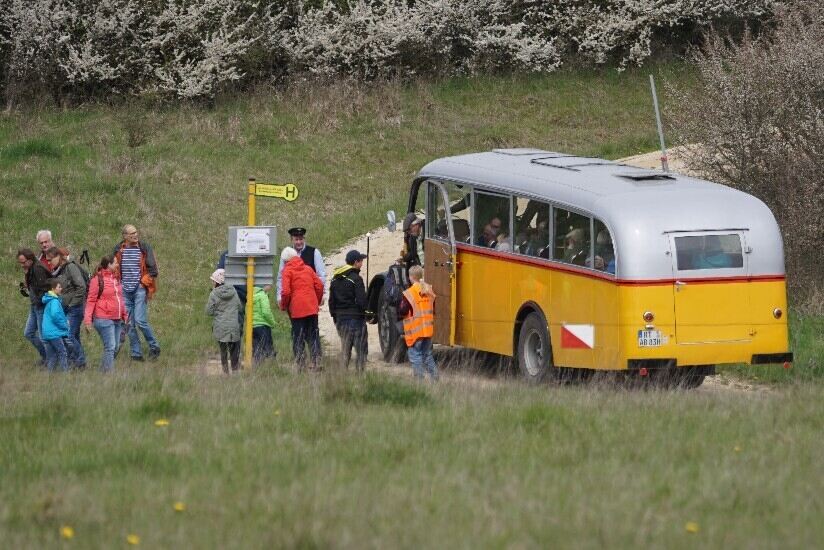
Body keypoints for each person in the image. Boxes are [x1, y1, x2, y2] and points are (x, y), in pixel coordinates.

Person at [113, 224, 160, 362]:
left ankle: (154, 346)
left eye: (136, 232)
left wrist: (142, 283)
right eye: (132, 233)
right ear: (125, 236)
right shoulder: (118, 249)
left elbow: (153, 270)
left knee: (140, 320)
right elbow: (113, 267)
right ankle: (136, 353)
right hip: (124, 291)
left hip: (140, 289)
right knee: (128, 324)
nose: (135, 235)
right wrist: (118, 284)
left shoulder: (144, 248)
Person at [280, 246, 324, 372]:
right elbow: (319, 286)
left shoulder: (287, 271)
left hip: (297, 310)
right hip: (311, 307)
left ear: (285, 261)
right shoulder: (308, 269)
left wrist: (284, 305)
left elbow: (286, 292)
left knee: (298, 337)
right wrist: (316, 299)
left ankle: (301, 364)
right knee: (313, 334)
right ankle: (316, 361)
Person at [84, 255, 128, 372]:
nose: (118, 265)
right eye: (115, 263)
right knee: (110, 347)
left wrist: (125, 315)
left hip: (117, 319)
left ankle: (103, 370)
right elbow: (91, 301)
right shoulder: (96, 280)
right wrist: (87, 321)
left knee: (115, 347)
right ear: (108, 265)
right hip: (103, 319)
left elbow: (120, 299)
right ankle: (108, 375)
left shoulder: (116, 279)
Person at [45, 247, 87, 369]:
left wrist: (71, 304)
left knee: (67, 335)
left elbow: (81, 287)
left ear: (59, 256)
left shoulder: (70, 267)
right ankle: (76, 362)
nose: (49, 262)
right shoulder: (58, 270)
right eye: (47, 260)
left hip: (75, 308)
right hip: (66, 308)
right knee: (74, 336)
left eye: (50, 259)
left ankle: (80, 361)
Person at [329, 250, 369, 371]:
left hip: (341, 319)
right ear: (355, 262)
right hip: (356, 319)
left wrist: (335, 318)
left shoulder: (335, 279)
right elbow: (362, 302)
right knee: (361, 351)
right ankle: (360, 376)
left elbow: (331, 302)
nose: (362, 263)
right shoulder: (356, 279)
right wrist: (366, 314)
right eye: (361, 261)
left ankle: (343, 374)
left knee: (345, 350)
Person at [399, 265, 438, 381]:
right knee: (427, 356)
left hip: (415, 332)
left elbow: (402, 310)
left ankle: (419, 383)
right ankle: (435, 380)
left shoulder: (409, 293)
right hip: (427, 330)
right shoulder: (429, 290)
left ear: (411, 277)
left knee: (415, 357)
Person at [276, 227, 326, 308]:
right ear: (291, 240)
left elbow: (321, 275)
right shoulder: (286, 254)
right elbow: (281, 277)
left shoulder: (314, 252)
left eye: (301, 239)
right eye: (296, 239)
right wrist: (279, 296)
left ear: (304, 239)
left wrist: (321, 294)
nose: (299, 242)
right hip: (293, 298)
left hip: (310, 297)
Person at [206, 269, 242, 374]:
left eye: (213, 280)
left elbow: (209, 311)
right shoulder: (234, 291)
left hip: (220, 328)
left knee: (223, 351)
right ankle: (235, 371)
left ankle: (225, 373)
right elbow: (239, 307)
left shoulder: (213, 294)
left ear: (217, 282)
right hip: (234, 327)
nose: (212, 282)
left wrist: (218, 312)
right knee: (234, 351)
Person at [17, 248, 49, 365]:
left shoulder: (38, 269)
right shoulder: (30, 269)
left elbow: (44, 288)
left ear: (30, 260)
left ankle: (50, 361)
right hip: (34, 305)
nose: (22, 265)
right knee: (28, 333)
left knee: (43, 337)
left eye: (23, 262)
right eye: (20, 262)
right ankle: (46, 357)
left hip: (41, 306)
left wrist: (39, 301)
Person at [41, 279, 70, 372]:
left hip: (48, 332)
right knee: (63, 352)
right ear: (53, 289)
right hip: (54, 333)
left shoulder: (49, 299)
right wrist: (65, 325)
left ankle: (49, 377)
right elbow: (55, 315)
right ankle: (64, 376)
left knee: (52, 355)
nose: (61, 289)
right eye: (59, 287)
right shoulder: (54, 301)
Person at [252, 285, 277, 365]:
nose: (270, 286)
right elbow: (266, 312)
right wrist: (273, 323)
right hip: (263, 325)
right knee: (268, 346)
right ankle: (272, 365)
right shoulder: (263, 295)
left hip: (253, 326)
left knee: (257, 347)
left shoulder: (251, 295)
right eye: (269, 285)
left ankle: (258, 365)